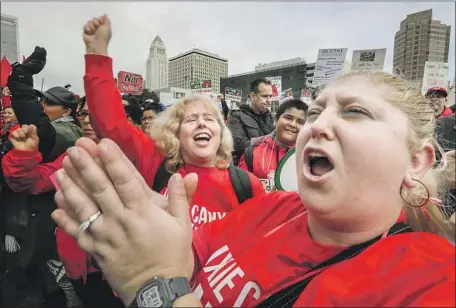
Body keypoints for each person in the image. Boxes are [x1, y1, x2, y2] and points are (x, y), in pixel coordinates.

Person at [53, 65, 455, 307]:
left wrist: (154, 285)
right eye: (316, 110)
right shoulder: (275, 208)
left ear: (416, 160)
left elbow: (162, 271)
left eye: (355, 112)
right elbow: (188, 250)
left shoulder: (431, 280)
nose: (316, 124)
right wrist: (147, 233)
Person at [82, 15, 265, 229]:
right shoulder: (155, 162)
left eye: (209, 119)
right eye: (190, 119)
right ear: (175, 132)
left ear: (221, 132)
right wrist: (97, 55)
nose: (201, 123)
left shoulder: (245, 185)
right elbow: (112, 124)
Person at [1, 98, 124, 308]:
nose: (87, 120)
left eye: (96, 113)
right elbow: (36, 181)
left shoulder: (135, 154)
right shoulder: (73, 154)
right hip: (76, 262)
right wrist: (23, 154)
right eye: (84, 114)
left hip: (117, 268)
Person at [238, 99, 307, 190]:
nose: (293, 124)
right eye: (288, 118)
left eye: (300, 122)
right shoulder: (252, 154)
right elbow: (241, 191)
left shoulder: (307, 158)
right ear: (275, 120)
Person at [227, 78, 275, 165]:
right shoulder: (237, 116)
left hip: (268, 168)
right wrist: (269, 138)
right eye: (264, 96)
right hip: (245, 169)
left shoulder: (270, 117)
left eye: (270, 96)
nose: (269, 100)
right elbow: (238, 144)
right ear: (253, 96)